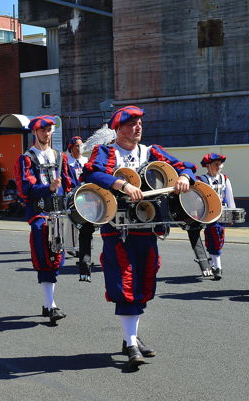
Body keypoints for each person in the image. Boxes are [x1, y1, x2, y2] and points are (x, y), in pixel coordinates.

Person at [82, 106, 196, 368]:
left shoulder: (151, 152)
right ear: (118, 129)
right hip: (118, 227)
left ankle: (129, 337)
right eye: (132, 123)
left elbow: (185, 166)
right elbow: (91, 172)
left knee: (145, 278)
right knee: (125, 280)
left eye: (140, 123)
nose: (138, 127)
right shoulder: (106, 151)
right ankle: (131, 343)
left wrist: (184, 177)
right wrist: (121, 184)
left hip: (147, 225)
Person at [14, 115, 74, 324]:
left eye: (49, 130)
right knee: (44, 255)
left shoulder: (60, 156)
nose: (46, 134)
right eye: (43, 130)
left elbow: (69, 183)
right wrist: (47, 188)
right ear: (34, 132)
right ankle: (51, 304)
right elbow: (25, 189)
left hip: (59, 212)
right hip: (39, 212)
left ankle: (49, 303)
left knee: (58, 256)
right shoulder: (27, 158)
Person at [190, 153, 237, 280]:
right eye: (216, 164)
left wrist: (232, 214)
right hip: (208, 212)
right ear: (208, 165)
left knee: (220, 236)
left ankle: (212, 258)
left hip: (222, 212)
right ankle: (217, 267)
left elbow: (229, 197)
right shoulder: (201, 180)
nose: (219, 167)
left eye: (221, 164)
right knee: (214, 234)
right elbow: (196, 199)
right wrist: (196, 213)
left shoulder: (225, 179)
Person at [65, 135, 96, 282]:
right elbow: (67, 179)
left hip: (87, 196)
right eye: (77, 145)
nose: (79, 148)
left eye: (81, 145)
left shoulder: (86, 161)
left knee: (87, 227)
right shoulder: (67, 162)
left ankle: (84, 256)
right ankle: (75, 249)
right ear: (71, 147)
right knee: (76, 225)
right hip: (74, 195)